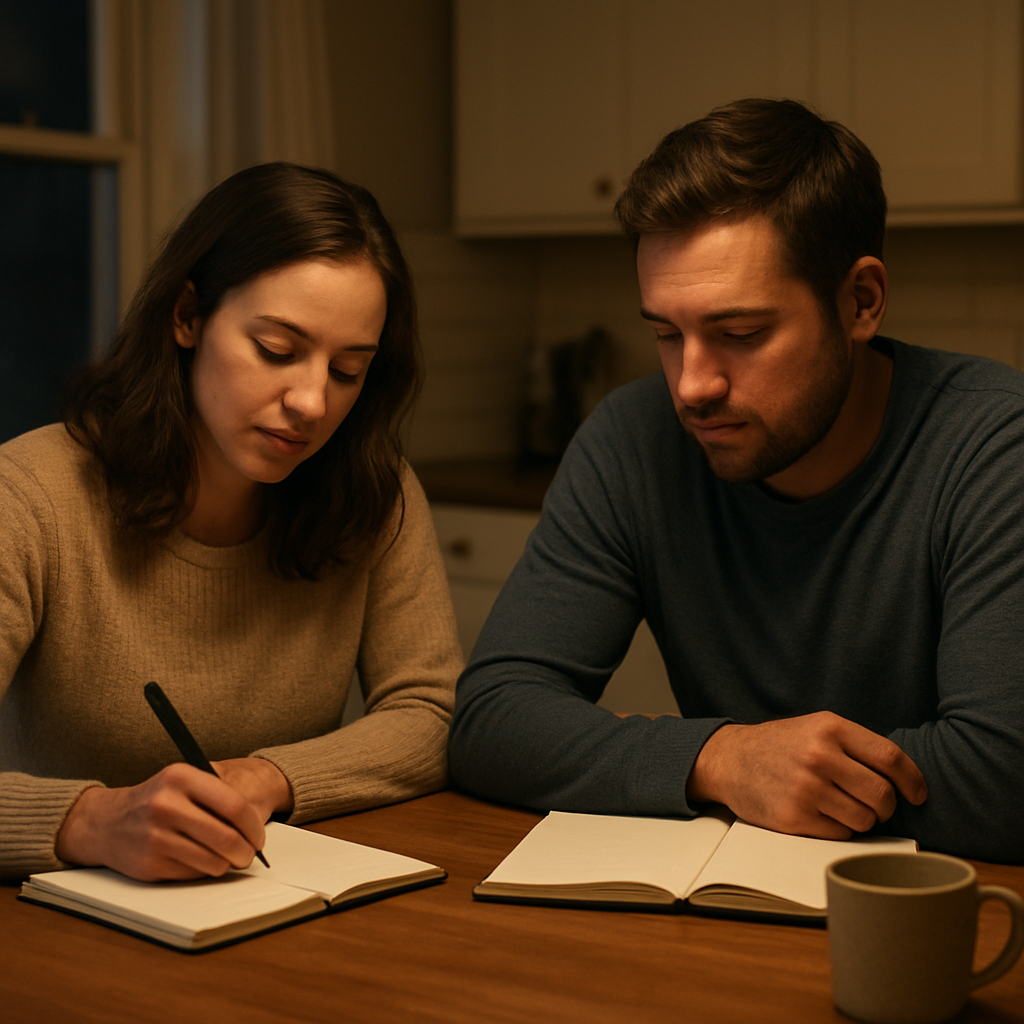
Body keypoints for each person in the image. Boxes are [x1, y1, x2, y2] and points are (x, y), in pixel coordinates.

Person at [448, 99, 1024, 864]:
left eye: (741, 334)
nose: (691, 385)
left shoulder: (993, 446)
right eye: (664, 333)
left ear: (861, 301)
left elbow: (1002, 781)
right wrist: (722, 759)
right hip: (720, 911)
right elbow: (492, 720)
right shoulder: (632, 440)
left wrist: (755, 772)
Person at [0, 163, 462, 882]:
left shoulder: (372, 492)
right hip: (62, 930)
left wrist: (268, 778)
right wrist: (91, 821)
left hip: (272, 906)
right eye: (277, 350)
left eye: (347, 371)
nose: (312, 402)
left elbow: (432, 715)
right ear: (187, 315)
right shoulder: (30, 495)